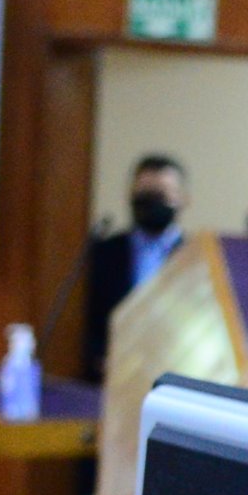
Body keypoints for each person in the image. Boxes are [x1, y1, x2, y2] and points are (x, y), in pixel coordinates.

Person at [78, 153, 189, 384]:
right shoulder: (103, 252)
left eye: (161, 195)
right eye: (145, 195)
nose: (152, 203)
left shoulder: (195, 258)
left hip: (174, 378)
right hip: (110, 378)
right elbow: (88, 319)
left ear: (183, 199)